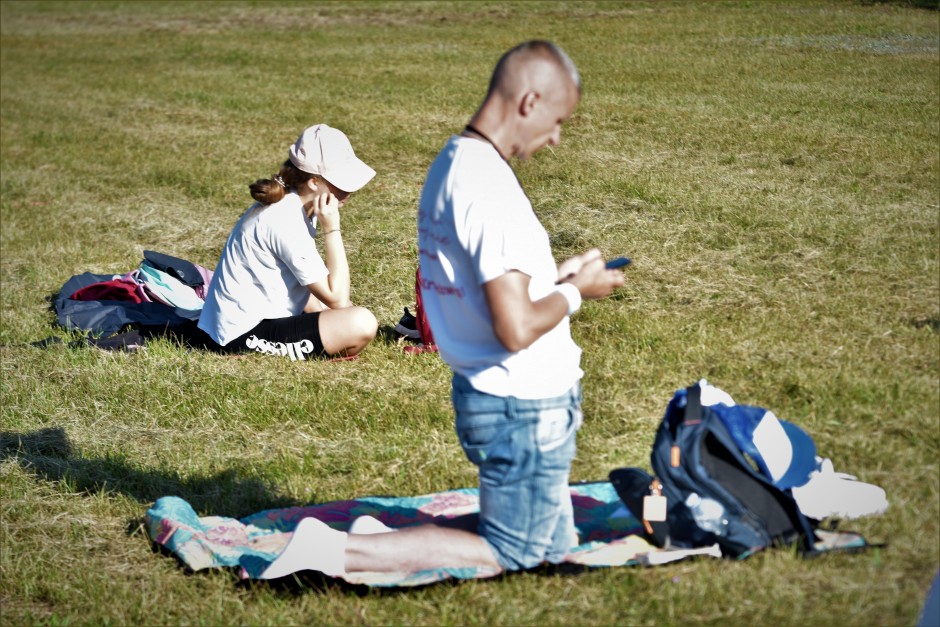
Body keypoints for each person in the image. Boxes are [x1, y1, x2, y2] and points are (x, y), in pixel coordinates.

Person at [259, 40, 625, 579]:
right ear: (529, 101)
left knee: (552, 544)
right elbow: (516, 326)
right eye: (558, 119)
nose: (556, 137)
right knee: (516, 551)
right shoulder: (487, 186)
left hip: (495, 393)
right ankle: (337, 553)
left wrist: (556, 278)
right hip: (519, 403)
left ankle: (375, 542)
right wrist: (576, 293)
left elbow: (484, 284)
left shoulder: (453, 164)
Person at [190, 124, 379, 360]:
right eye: (341, 181)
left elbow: (309, 286)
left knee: (346, 313)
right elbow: (337, 298)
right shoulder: (285, 220)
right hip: (238, 336)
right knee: (361, 323)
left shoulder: (294, 204)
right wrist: (332, 229)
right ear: (313, 182)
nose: (349, 191)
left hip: (244, 323)